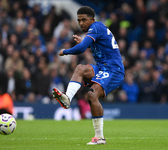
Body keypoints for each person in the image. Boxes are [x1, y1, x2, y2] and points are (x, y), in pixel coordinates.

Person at [52, 6, 125, 145]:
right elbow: (100, 46)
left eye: (84, 20)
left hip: (113, 70)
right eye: (79, 20)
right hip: (103, 68)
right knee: (80, 68)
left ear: (92, 19)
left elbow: (80, 49)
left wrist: (65, 51)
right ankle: (67, 98)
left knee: (92, 95)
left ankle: (99, 137)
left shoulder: (96, 27)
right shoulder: (97, 30)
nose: (81, 23)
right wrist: (86, 45)